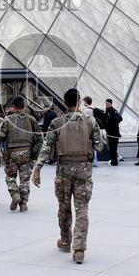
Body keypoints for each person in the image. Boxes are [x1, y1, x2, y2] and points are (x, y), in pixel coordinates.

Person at [32, 88, 103, 264]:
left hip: (63, 170)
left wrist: (37, 169)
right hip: (83, 170)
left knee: (64, 208)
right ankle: (79, 249)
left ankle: (65, 241)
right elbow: (99, 147)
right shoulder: (90, 120)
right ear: (78, 102)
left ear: (64, 102)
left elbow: (46, 147)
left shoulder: (57, 122)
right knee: (82, 209)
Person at [0, 96, 41, 212]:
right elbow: (39, 136)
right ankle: (23, 204)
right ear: (24, 106)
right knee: (25, 180)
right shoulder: (31, 119)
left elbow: (1, 135)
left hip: (12, 153)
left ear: (13, 107)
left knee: (10, 177)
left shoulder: (7, 119)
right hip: (27, 153)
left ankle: (15, 194)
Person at [82, 96, 107, 166]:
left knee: (90, 146)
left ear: (86, 101)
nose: (83, 102)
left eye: (84, 101)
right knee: (94, 146)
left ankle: (93, 161)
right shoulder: (93, 108)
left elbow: (87, 121)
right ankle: (95, 161)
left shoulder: (88, 110)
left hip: (90, 130)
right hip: (95, 129)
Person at [104, 99, 123, 166]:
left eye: (108, 104)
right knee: (110, 148)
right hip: (109, 133)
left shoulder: (114, 111)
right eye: (106, 104)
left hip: (114, 133)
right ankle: (112, 160)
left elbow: (120, 118)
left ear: (111, 104)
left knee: (113, 148)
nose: (107, 105)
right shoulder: (106, 111)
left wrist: (111, 119)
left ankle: (114, 162)